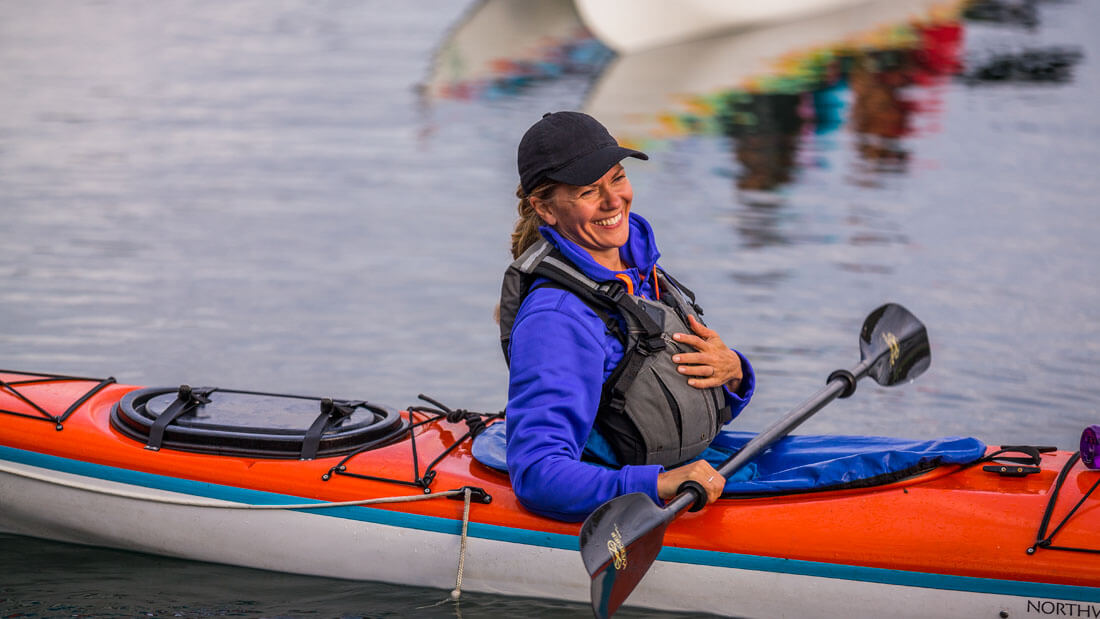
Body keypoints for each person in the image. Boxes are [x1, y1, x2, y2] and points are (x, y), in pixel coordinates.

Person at [498, 111, 754, 522]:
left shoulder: (640, 273)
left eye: (617, 178)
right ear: (545, 208)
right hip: (634, 490)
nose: (614, 201)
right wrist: (658, 485)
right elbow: (537, 475)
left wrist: (733, 372)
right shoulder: (557, 318)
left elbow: (658, 411)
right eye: (588, 191)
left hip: (695, 468)